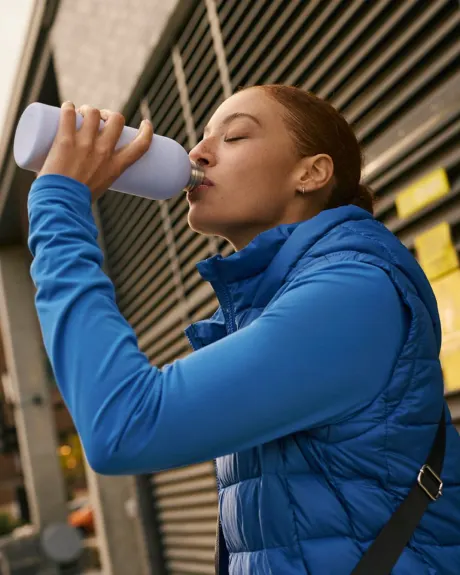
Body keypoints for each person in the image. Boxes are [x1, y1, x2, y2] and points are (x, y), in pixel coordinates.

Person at [27, 85, 460, 575]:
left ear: (311, 173)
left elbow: (123, 425)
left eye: (233, 137)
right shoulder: (274, 303)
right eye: (203, 137)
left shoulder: (353, 294)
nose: (198, 152)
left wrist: (61, 210)